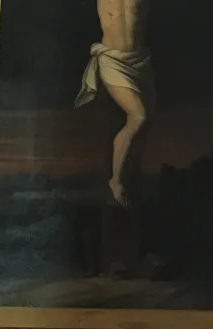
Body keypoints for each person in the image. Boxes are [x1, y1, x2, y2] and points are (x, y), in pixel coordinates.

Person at [75, 0, 155, 207]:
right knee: (139, 116)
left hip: (139, 60)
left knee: (147, 121)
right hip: (113, 61)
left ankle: (130, 175)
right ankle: (116, 181)